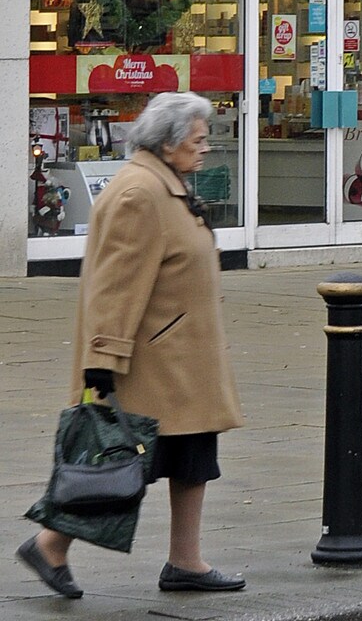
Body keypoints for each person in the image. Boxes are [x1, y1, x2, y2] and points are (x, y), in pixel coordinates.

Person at [18, 93, 244, 599]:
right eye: (198, 139)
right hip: (152, 364)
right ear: (168, 141)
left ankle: (186, 561)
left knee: (192, 460)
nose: (206, 148)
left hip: (181, 361)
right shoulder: (140, 193)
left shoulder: (165, 184)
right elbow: (115, 285)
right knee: (124, 464)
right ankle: (50, 544)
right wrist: (102, 360)